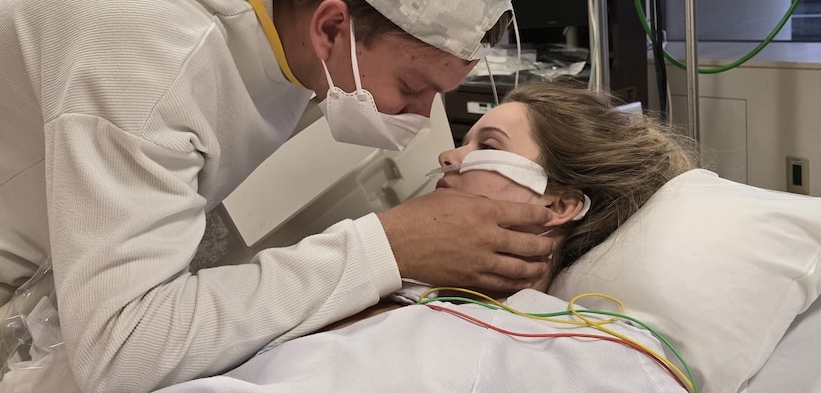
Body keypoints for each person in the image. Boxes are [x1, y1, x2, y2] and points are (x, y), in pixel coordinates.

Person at [0, 0, 557, 392]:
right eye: (411, 85)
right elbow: (120, 353)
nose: (427, 121)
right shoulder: (149, 51)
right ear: (331, 27)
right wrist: (384, 250)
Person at [154, 80, 700, 392]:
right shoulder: (391, 285)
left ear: (557, 205)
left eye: (487, 142)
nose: (448, 154)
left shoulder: (562, 348)